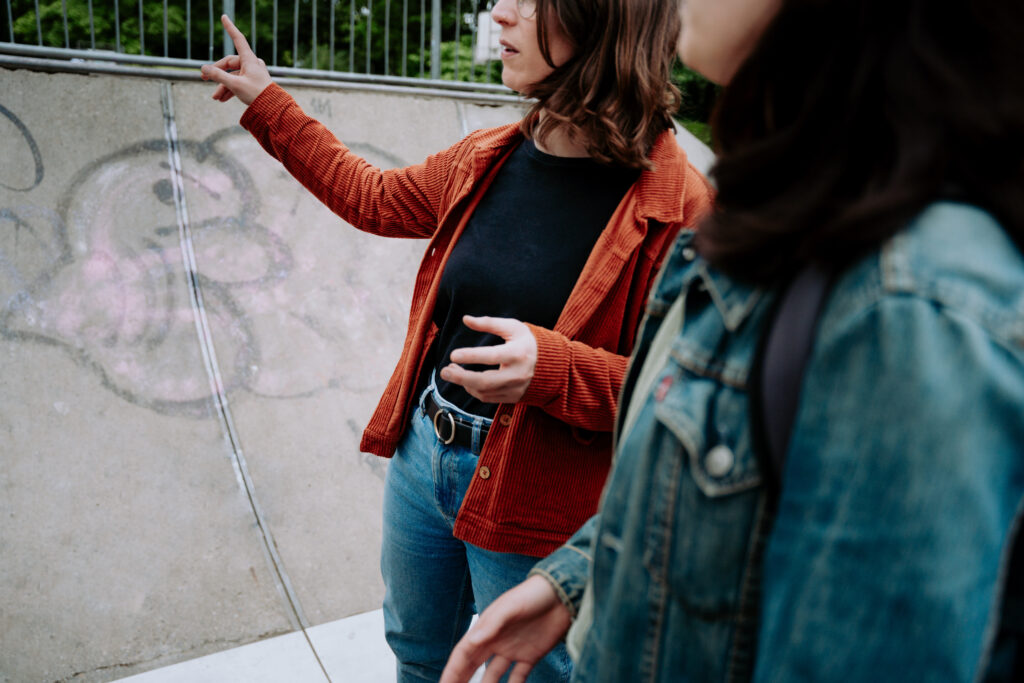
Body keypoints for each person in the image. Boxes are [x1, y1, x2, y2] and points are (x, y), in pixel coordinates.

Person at [440, 0, 1024, 681]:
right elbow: (735, 487)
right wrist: (581, 574)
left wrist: (553, 370)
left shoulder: (906, 310)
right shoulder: (787, 211)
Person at [199, 1, 712, 680]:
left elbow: (687, 392)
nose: (498, 13)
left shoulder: (679, 206)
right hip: (425, 454)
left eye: (528, 2)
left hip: (538, 491)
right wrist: (268, 101)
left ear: (600, 21)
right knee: (416, 651)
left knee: (526, 672)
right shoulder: (488, 156)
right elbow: (374, 197)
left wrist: (553, 368)